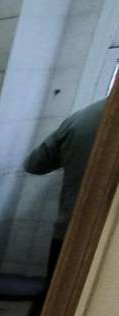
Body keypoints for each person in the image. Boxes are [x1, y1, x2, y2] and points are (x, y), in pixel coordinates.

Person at [25, 99, 107, 278]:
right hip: (108, 243)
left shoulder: (83, 117)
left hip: (69, 234)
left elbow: (34, 164)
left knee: (58, 293)